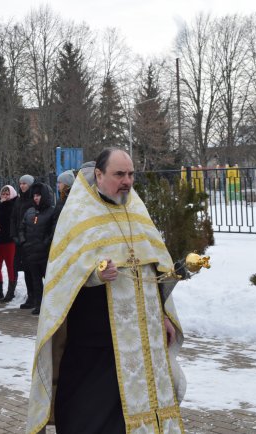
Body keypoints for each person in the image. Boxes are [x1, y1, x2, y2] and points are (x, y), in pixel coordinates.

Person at [26, 148, 186, 434]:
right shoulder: (78, 212)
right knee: (91, 412)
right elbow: (63, 275)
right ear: (99, 175)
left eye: (131, 174)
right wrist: (94, 275)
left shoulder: (136, 209)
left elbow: (152, 269)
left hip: (140, 338)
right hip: (95, 336)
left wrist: (162, 314)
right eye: (119, 174)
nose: (127, 181)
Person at [18, 182, 55, 315]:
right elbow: (22, 228)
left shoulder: (51, 211)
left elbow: (53, 232)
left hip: (45, 254)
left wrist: (45, 244)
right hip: (31, 252)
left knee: (49, 281)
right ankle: (39, 305)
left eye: (38, 195)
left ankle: (51, 306)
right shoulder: (30, 211)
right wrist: (24, 242)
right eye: (34, 195)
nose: (36, 198)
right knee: (36, 282)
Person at [10, 174, 35, 309]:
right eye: (20, 183)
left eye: (25, 183)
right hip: (19, 241)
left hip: (30, 239)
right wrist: (14, 235)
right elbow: (13, 218)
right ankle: (30, 296)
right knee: (25, 269)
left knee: (33, 270)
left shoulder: (33, 199)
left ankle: (36, 296)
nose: (22, 186)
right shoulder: (19, 200)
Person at [0, 185, 18, 302]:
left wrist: (3, 205)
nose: (5, 196)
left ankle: (11, 292)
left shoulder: (14, 205)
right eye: (3, 194)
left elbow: (9, 219)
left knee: (10, 266)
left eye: (7, 194)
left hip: (9, 240)